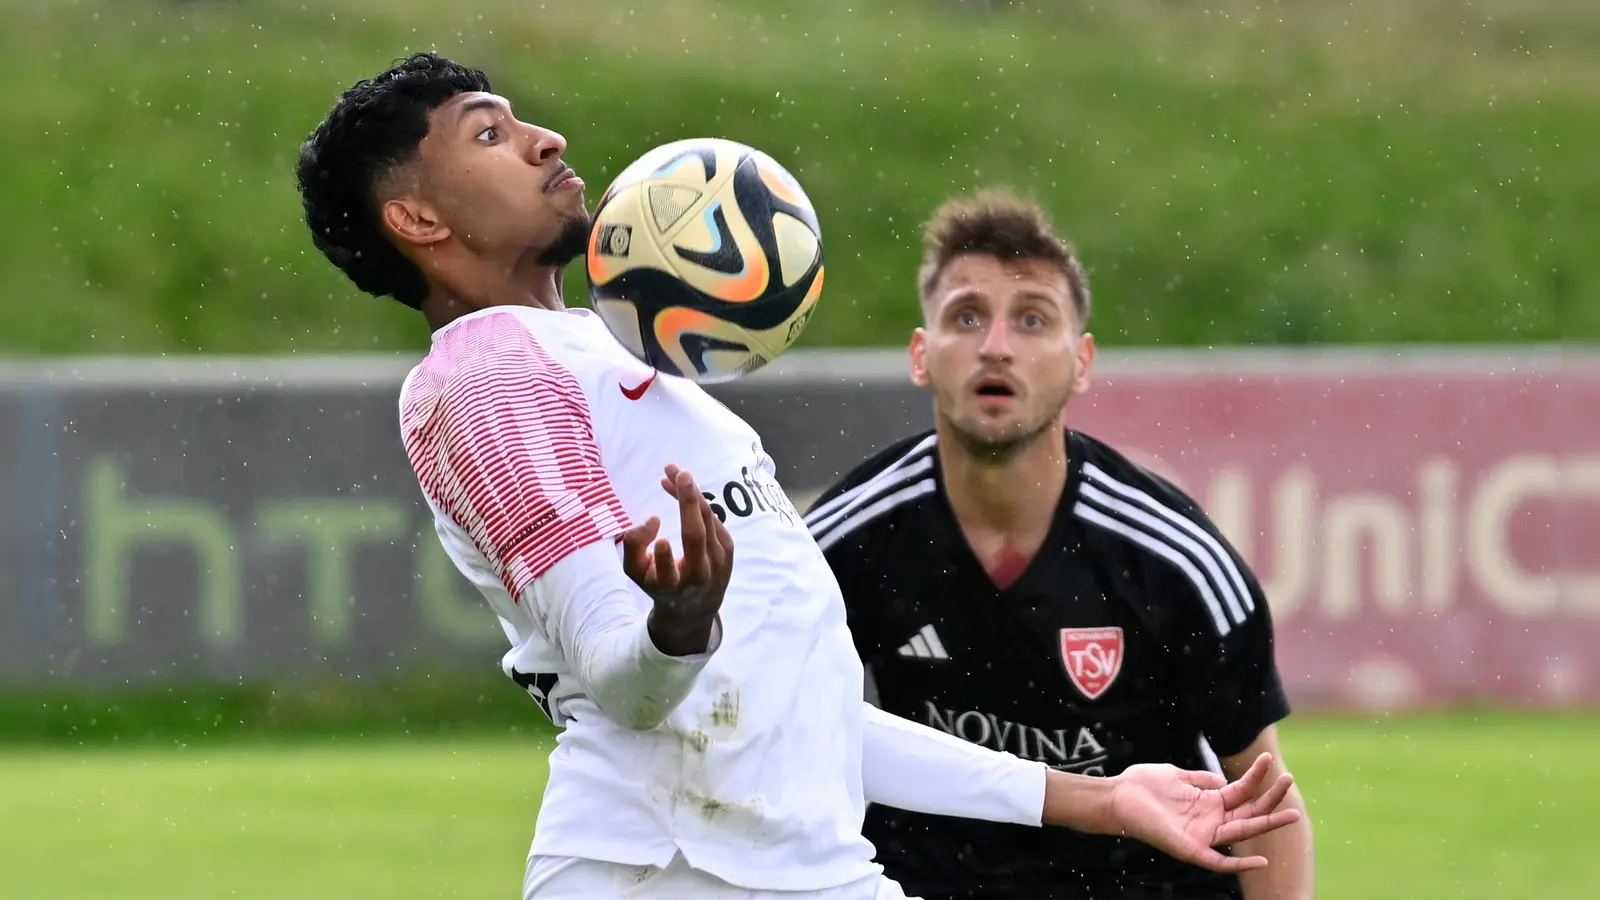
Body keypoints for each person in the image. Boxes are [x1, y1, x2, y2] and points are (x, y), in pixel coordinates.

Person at [294, 53, 1303, 900]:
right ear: (419, 221)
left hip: (793, 867)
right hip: (665, 871)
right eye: (487, 135)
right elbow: (625, 678)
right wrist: (675, 625)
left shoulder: (609, 363)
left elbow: (799, 717)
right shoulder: (489, 376)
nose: (545, 140)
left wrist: (1097, 795)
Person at [803, 189, 1316, 900]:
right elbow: (771, 735)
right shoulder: (843, 542)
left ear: (1081, 362)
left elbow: (1265, 808)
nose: (996, 345)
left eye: (1032, 319)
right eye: (966, 316)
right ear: (921, 356)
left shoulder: (1176, 561)